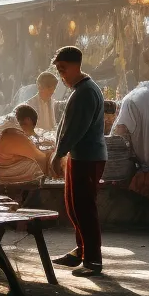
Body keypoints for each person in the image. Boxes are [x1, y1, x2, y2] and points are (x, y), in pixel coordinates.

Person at [51, 46, 107, 277]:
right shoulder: (80, 89)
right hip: (79, 156)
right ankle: (81, 251)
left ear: (76, 66)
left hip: (88, 157)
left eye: (63, 69)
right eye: (58, 70)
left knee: (85, 208)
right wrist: (61, 151)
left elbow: (76, 129)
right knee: (74, 207)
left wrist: (59, 153)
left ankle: (93, 260)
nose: (61, 75)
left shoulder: (86, 91)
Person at [0, 105, 54, 182]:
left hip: (6, 174)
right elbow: (40, 158)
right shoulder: (15, 135)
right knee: (52, 158)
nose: (30, 134)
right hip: (14, 177)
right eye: (32, 129)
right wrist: (50, 152)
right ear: (28, 120)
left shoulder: (8, 132)